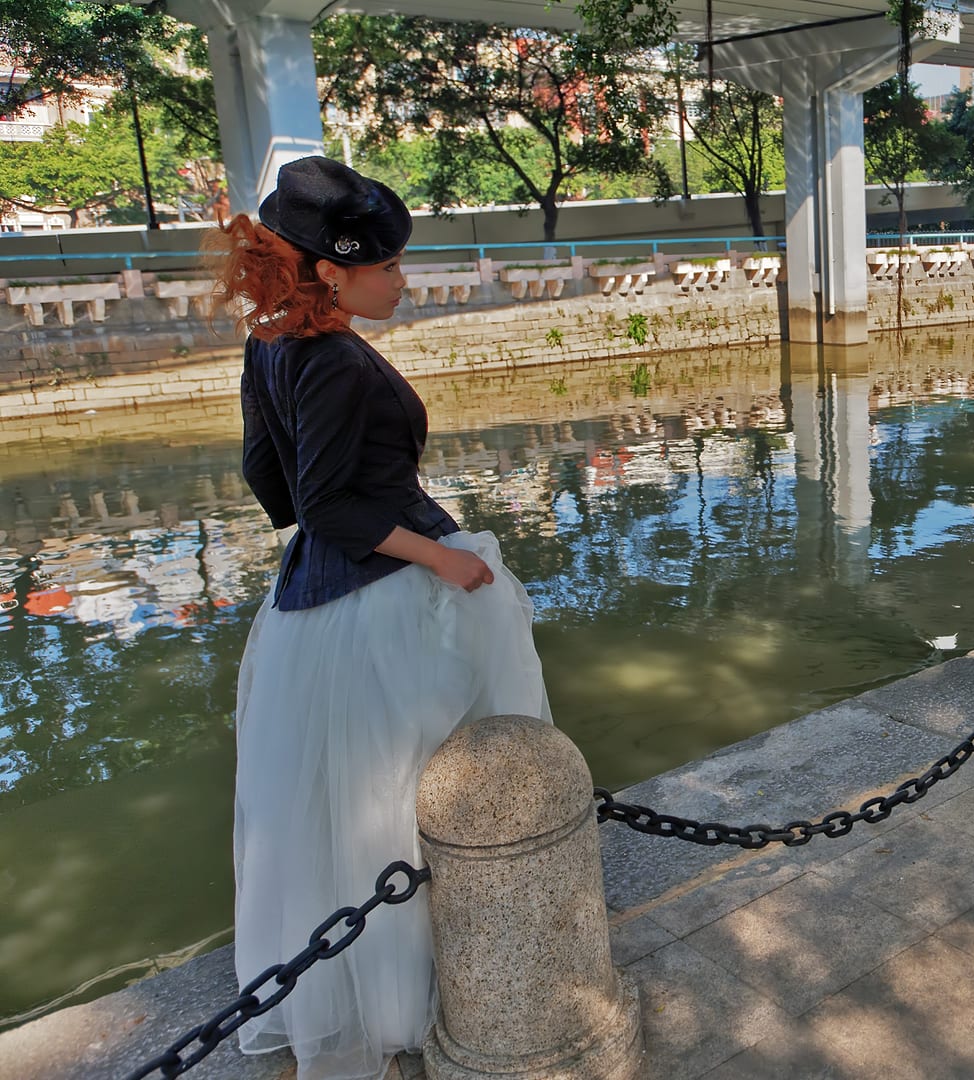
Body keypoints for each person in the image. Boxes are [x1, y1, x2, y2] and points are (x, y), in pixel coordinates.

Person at [211, 156, 552, 1080]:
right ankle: (408, 996)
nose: (404, 281)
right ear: (332, 270)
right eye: (390, 267)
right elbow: (325, 506)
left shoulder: (270, 340)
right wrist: (442, 556)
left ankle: (348, 992)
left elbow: (268, 482)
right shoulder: (327, 358)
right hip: (382, 591)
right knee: (399, 797)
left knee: (331, 808)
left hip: (308, 606)